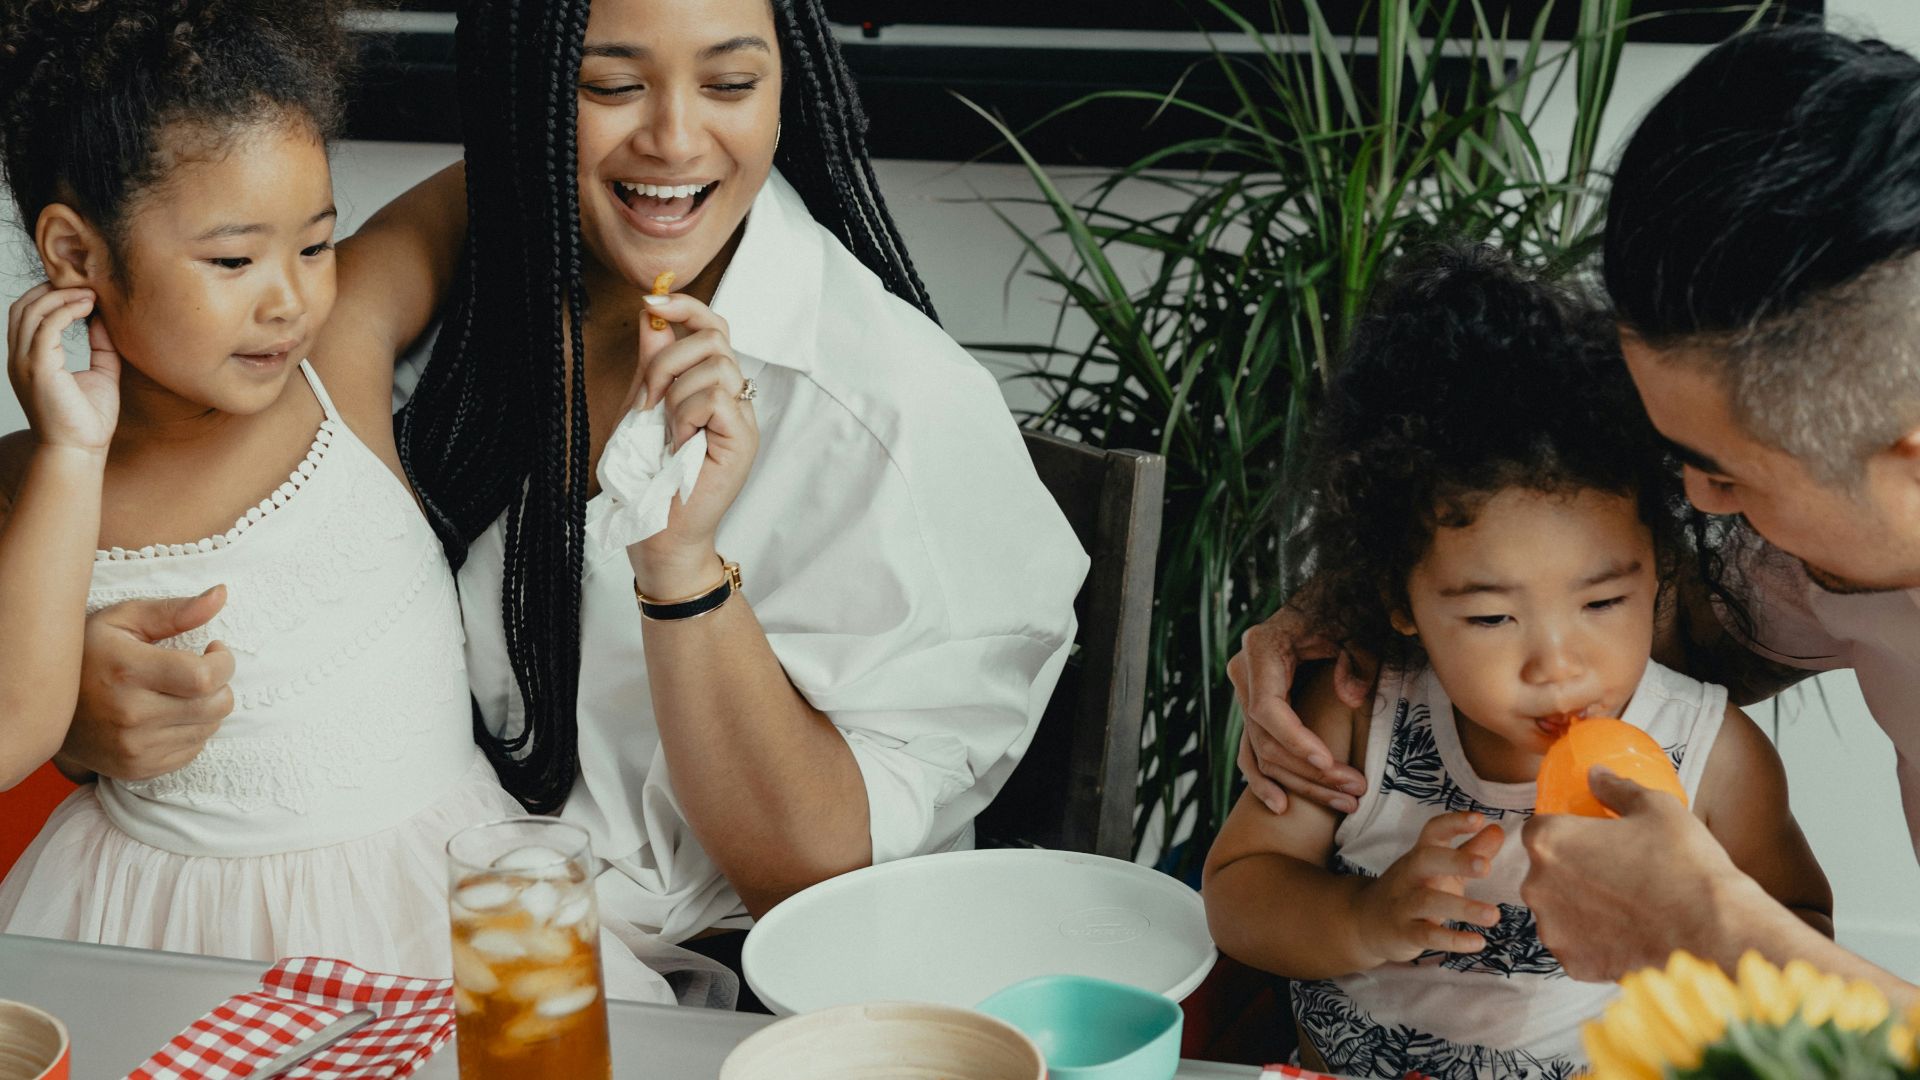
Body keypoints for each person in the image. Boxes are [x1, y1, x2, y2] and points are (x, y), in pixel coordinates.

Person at [53, 0, 1088, 988]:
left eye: (731, 81)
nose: (678, 140)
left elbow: (815, 877)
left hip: (738, 993)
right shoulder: (437, 309)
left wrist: (681, 571)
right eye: (607, 86)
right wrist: (83, 708)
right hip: (419, 932)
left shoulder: (893, 418)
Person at [0, 0, 681, 1004]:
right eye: (233, 260)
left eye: (314, 245)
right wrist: (69, 453)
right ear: (74, 254)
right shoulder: (31, 483)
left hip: (430, 905)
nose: (288, 298)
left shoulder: (334, 363)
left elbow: (485, 185)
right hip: (155, 931)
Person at [1228, 26, 1920, 1003]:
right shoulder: (1820, 558)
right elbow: (1608, 604)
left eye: (1724, 473)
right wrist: (1355, 604)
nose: (1693, 505)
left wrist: (1712, 930)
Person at [1201, 245, 1830, 1077]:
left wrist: (1694, 939)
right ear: (1403, 603)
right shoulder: (1360, 712)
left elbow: (1802, 928)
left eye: (1603, 603)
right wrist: (1361, 915)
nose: (1556, 664)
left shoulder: (1712, 756)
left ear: (1661, 571)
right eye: (1493, 616)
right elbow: (1240, 890)